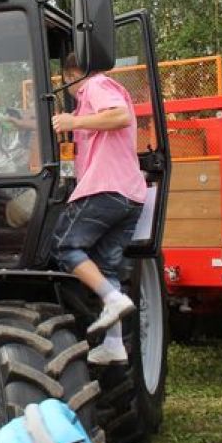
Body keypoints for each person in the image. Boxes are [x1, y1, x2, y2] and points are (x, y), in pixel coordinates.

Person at [51, 54, 146, 365]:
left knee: (66, 246)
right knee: (105, 266)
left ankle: (112, 298)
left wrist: (72, 121)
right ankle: (114, 343)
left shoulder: (95, 84)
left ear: (73, 73)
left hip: (106, 187)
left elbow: (119, 116)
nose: (66, 86)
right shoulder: (91, 98)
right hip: (129, 196)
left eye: (66, 80)